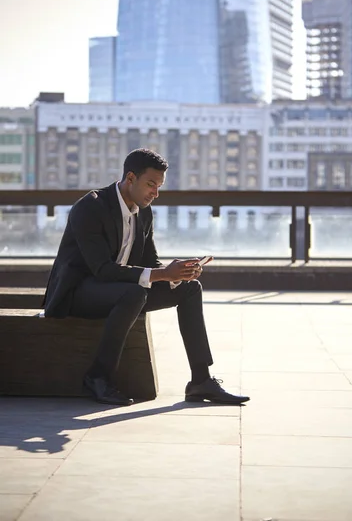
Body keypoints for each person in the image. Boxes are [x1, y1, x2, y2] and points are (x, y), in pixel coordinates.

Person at [44, 148, 250, 407]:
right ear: (130, 178)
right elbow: (102, 270)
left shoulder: (144, 210)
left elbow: (149, 263)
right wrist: (162, 273)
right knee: (134, 293)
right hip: (78, 293)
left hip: (120, 291)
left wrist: (178, 273)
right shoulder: (91, 207)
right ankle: (98, 377)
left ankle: (200, 380)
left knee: (190, 288)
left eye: (159, 186)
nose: (156, 193)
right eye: (151, 184)